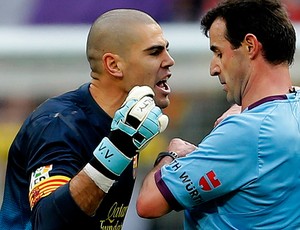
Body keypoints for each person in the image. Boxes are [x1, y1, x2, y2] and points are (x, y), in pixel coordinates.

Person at [0, 9, 174, 229]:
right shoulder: (58, 125)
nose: (169, 60)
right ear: (113, 65)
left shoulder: (126, 125)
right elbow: (47, 224)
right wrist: (116, 153)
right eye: (154, 52)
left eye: (167, 50)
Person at [136, 0, 300, 229]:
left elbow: (147, 202)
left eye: (219, 53)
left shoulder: (246, 132)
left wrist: (172, 154)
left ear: (250, 46)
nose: (214, 68)